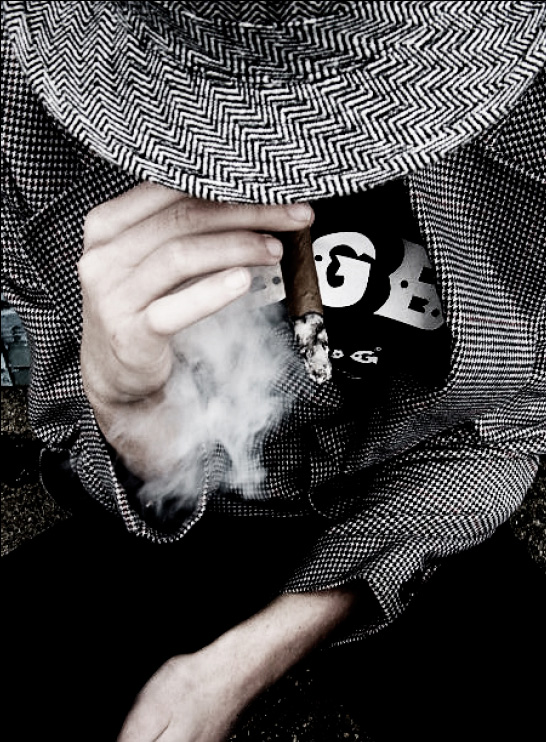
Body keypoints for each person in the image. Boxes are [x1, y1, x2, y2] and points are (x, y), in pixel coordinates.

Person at [2, 2, 545, 741]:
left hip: (418, 486)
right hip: (196, 518)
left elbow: (511, 420)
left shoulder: (527, 112)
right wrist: (136, 418)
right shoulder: (28, 118)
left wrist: (246, 660)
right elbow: (83, 446)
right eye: (206, 99)